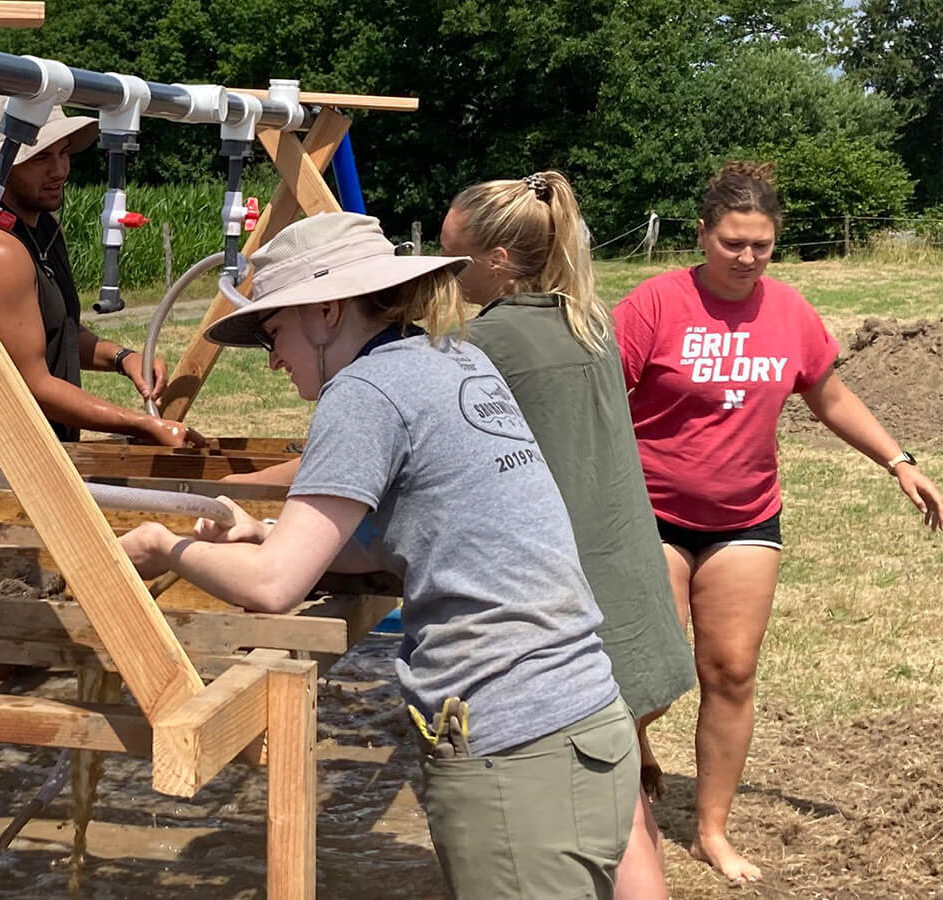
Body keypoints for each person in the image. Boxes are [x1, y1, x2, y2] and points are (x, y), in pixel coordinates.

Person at [120, 212, 638, 899]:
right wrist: (266, 531)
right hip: (584, 721)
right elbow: (424, 531)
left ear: (328, 311)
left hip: (513, 745)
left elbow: (273, 588)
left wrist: (166, 544)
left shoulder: (364, 392)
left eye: (275, 333)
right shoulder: (450, 358)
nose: (274, 360)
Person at [615, 161, 943, 883]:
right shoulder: (654, 306)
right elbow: (602, 396)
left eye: (761, 245)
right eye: (732, 242)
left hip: (745, 516)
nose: (746, 258)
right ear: (702, 235)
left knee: (730, 671)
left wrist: (900, 462)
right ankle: (629, 758)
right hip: (653, 511)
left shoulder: (789, 313)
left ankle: (711, 830)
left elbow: (829, 397)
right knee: (656, 674)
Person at [439, 171, 694, 900]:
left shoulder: (488, 344)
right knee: (625, 809)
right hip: (634, 596)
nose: (448, 277)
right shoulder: (586, 317)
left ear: (497, 261)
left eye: (456, 262)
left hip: (578, 610)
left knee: (596, 827)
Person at [0, 95, 205, 469]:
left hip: (37, 458)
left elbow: (58, 333)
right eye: (41, 158)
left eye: (62, 153)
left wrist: (122, 359)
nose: (59, 170)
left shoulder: (43, 229)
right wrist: (144, 423)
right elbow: (34, 384)